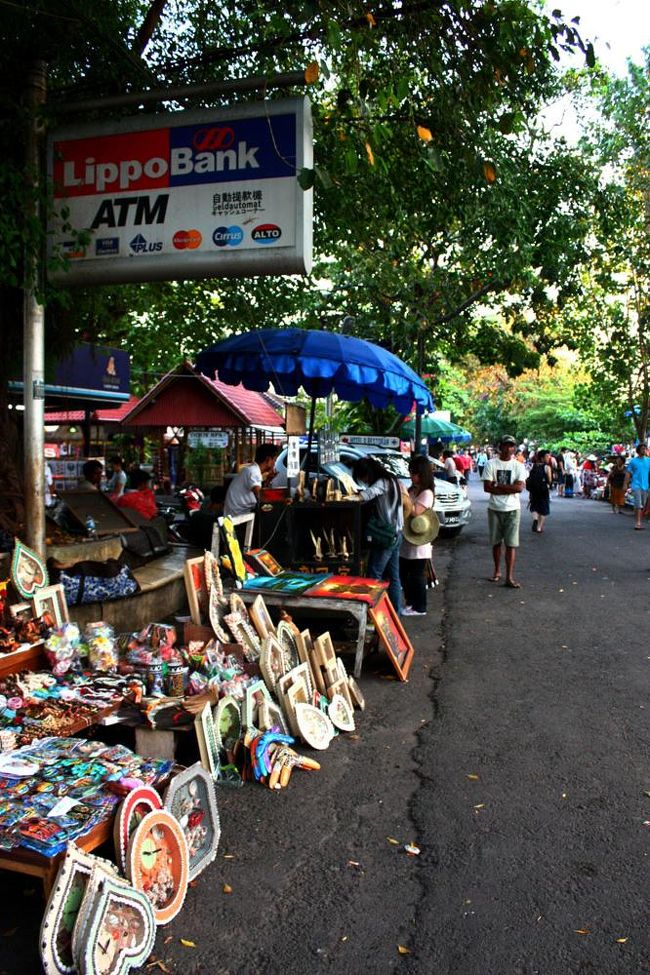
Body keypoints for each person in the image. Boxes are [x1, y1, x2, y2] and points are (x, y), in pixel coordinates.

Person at [352, 455, 405, 613]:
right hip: (397, 534)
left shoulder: (382, 483)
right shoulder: (394, 481)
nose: (364, 481)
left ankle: (372, 613)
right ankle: (396, 612)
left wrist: (354, 496)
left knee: (373, 574)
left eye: (363, 477)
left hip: (386, 537)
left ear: (369, 473)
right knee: (394, 578)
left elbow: (367, 495)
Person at [482, 434, 527, 588]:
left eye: (512, 446)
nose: (509, 449)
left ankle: (509, 576)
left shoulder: (518, 466)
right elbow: (487, 487)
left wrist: (497, 486)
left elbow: (519, 488)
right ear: (500, 447)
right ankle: (497, 571)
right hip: (495, 508)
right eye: (506, 445)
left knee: (511, 544)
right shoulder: (491, 464)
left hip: (512, 509)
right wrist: (508, 488)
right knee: (496, 542)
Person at [400, 455, 437, 616]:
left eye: (414, 473)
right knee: (406, 574)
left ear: (421, 474)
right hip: (407, 538)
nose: (411, 476)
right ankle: (410, 603)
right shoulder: (413, 490)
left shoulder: (426, 493)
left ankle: (420, 607)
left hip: (419, 540)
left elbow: (415, 512)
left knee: (416, 575)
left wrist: (404, 495)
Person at [223, 444, 279, 517]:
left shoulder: (252, 469)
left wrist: (268, 479)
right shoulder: (253, 471)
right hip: (238, 517)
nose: (274, 464)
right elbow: (260, 496)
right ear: (268, 459)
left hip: (240, 513)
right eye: (274, 460)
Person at [624, 443, 650, 530]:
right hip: (636, 485)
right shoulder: (633, 461)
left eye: (645, 449)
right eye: (642, 449)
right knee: (639, 504)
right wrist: (625, 484)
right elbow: (628, 473)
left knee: (642, 504)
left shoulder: (648, 461)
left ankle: (639, 520)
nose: (644, 450)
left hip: (646, 486)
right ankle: (638, 523)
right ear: (638, 450)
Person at [526, 448, 552, 533]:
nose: (548, 458)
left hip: (534, 490)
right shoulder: (547, 467)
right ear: (542, 458)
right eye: (547, 457)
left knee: (534, 507)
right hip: (544, 491)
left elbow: (530, 479)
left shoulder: (533, 466)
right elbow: (550, 480)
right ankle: (539, 527)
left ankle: (535, 519)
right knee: (543, 509)